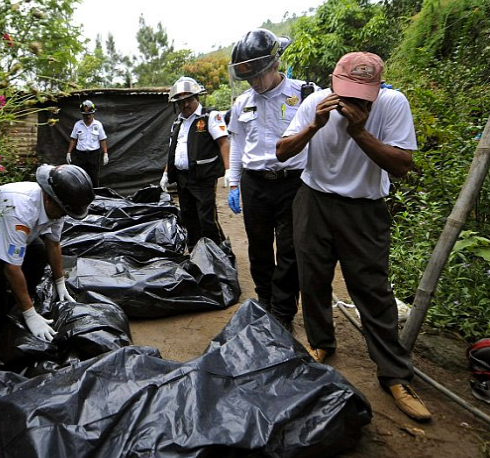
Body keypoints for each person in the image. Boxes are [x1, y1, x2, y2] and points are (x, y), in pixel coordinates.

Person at [276, 52, 432, 422]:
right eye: (346, 92)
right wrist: (313, 127)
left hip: (364, 207)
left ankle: (395, 375)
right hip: (314, 200)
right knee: (312, 277)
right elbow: (282, 153)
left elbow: (402, 165)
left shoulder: (392, 104)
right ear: (333, 82)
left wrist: (359, 132)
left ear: (377, 89)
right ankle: (321, 343)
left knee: (372, 289)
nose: (353, 101)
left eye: (363, 95)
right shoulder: (315, 102)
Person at [226, 29, 317, 330]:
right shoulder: (242, 103)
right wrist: (234, 182)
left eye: (257, 75)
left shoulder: (305, 94)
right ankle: (265, 300)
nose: (253, 82)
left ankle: (283, 311)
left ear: (274, 65)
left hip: (293, 181)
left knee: (290, 249)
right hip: (255, 183)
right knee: (259, 246)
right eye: (248, 78)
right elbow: (237, 143)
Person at [0, 164, 95, 342]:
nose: (63, 216)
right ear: (49, 199)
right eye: (63, 212)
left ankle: (19, 302)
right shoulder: (19, 212)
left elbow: (54, 243)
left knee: (39, 253)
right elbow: (11, 268)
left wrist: (60, 282)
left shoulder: (57, 206)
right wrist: (30, 315)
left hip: (18, 232)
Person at [160, 76, 230, 250]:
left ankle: (217, 253)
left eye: (188, 100)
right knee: (188, 217)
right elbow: (172, 151)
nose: (185, 105)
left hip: (203, 178)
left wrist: (229, 170)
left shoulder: (209, 117)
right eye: (180, 102)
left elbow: (224, 143)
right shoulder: (177, 123)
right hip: (183, 179)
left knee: (206, 218)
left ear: (197, 97)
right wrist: (166, 174)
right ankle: (195, 251)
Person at [66, 100, 108, 187]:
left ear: (93, 113)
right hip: (80, 156)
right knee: (80, 177)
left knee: (94, 178)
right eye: (85, 115)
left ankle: (96, 197)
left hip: (94, 155)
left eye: (89, 114)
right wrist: (69, 153)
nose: (88, 116)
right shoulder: (78, 125)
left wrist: (105, 153)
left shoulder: (98, 125)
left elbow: (102, 140)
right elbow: (73, 139)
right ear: (82, 114)